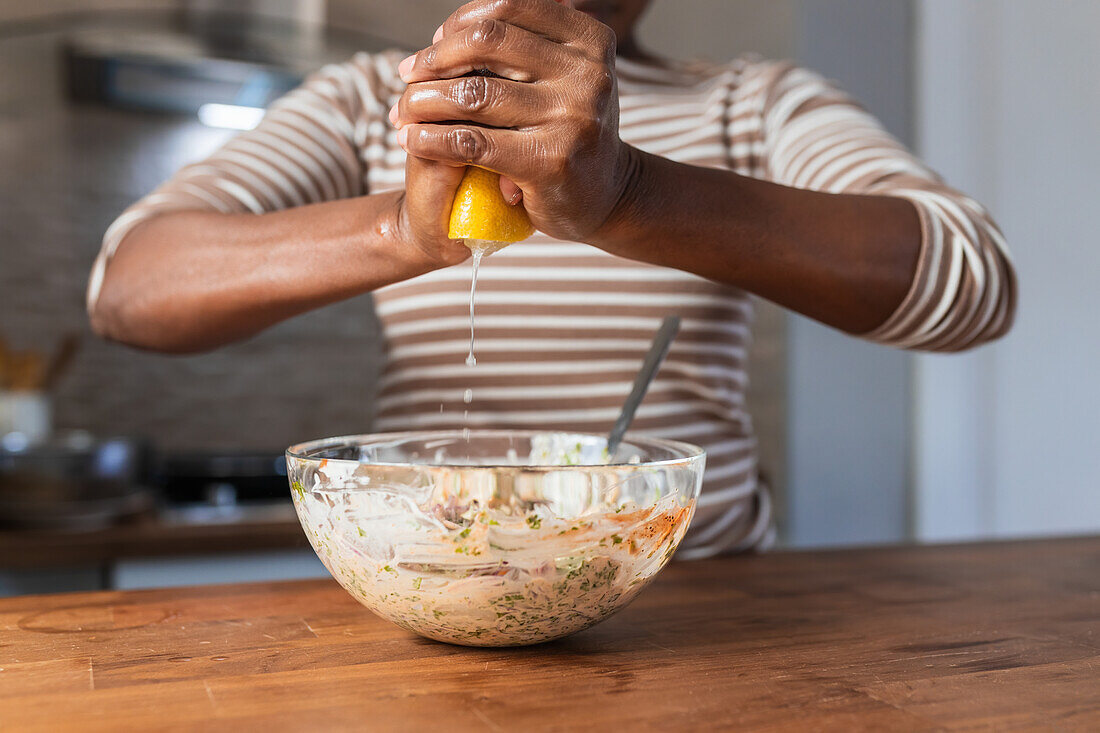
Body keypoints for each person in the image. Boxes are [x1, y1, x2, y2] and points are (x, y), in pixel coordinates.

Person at [86, 0, 1016, 556]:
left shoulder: (751, 102)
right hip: (444, 589)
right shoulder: (372, 100)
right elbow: (132, 287)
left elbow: (972, 280)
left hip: (713, 608)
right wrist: (404, 227)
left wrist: (633, 195)